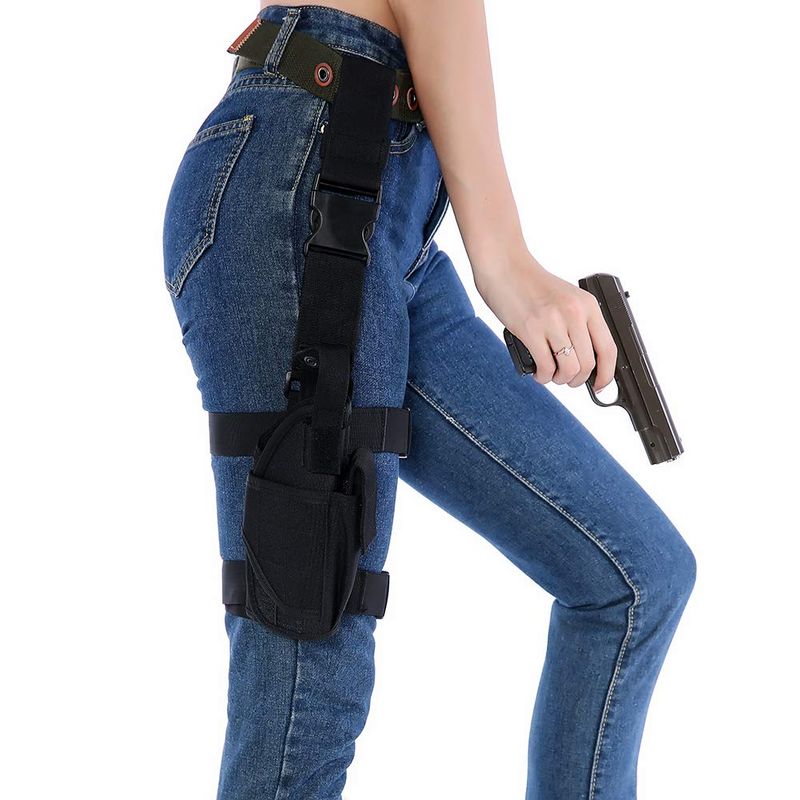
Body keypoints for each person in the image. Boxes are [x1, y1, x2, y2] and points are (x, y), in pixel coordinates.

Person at [162, 2, 697, 798]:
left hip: (386, 206)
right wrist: (504, 255)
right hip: (307, 179)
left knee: (634, 575)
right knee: (310, 665)